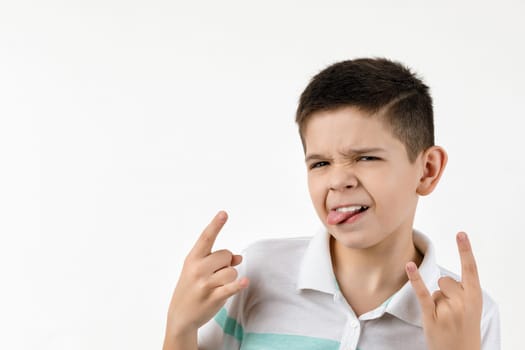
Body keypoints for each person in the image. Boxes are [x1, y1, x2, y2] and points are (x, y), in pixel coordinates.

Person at [162, 58, 501, 350]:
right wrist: (180, 328)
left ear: (427, 170)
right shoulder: (255, 274)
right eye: (320, 164)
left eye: (366, 157)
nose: (339, 181)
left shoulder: (470, 314)